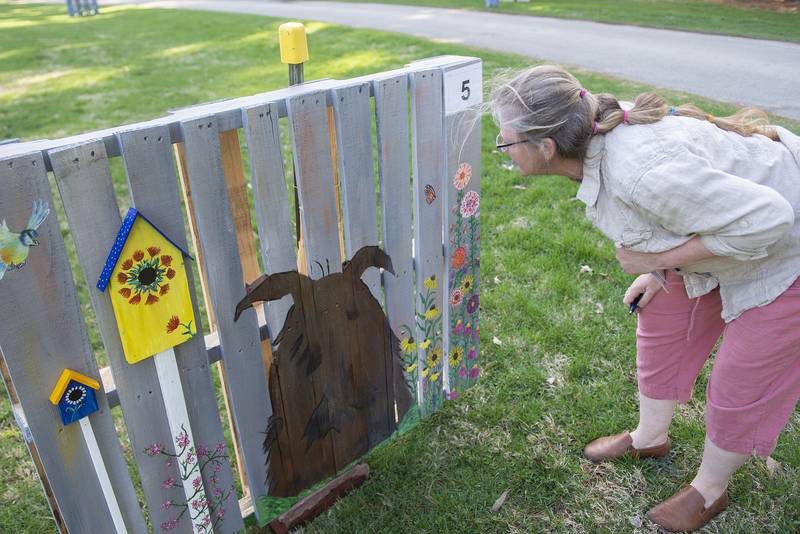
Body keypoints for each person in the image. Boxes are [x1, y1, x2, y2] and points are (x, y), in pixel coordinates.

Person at [489, 65, 800, 532]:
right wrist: (661, 269)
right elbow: (678, 211)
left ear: (546, 147)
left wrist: (659, 258)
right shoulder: (600, 130)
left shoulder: (639, 172)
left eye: (505, 139)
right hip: (733, 229)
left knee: (740, 378)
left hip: (786, 247)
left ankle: (710, 489)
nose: (502, 147)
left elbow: (771, 219)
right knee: (660, 311)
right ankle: (650, 437)